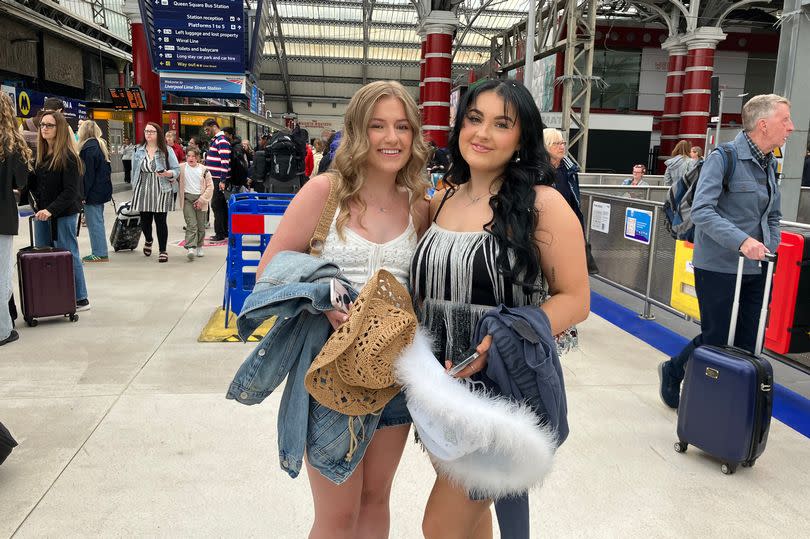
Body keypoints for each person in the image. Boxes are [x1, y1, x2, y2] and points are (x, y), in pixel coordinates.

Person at [411, 79, 589, 538]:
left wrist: (504, 336)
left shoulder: (543, 206)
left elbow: (575, 298)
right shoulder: (443, 197)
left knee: (440, 526)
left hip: (498, 392)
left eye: (501, 123)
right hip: (437, 387)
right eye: (474, 119)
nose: (483, 133)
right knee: (473, 515)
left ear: (521, 138)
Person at [254, 80, 430, 539]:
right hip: (328, 373)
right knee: (336, 516)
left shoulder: (420, 206)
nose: (391, 138)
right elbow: (269, 271)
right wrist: (325, 296)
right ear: (357, 131)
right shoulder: (323, 193)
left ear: (414, 135)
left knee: (376, 501)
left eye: (401, 126)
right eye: (377, 126)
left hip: (394, 374)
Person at [658, 94, 793, 409]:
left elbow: (772, 215)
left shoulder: (770, 164)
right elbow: (703, 211)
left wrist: (768, 246)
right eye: (785, 120)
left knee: (749, 340)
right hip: (718, 265)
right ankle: (675, 369)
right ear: (763, 124)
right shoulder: (725, 157)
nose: (791, 127)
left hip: (758, 267)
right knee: (716, 336)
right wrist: (742, 242)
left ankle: (730, 404)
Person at [29, 111, 90, 311]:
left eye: (49, 125)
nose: (44, 128)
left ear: (60, 129)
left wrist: (51, 210)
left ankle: (81, 297)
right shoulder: (40, 156)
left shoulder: (69, 157)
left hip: (63, 212)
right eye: (42, 125)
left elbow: (71, 192)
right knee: (42, 254)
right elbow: (37, 186)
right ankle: (51, 294)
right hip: (42, 214)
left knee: (67, 252)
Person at [543, 127, 599, 274]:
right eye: (556, 143)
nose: (562, 147)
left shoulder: (569, 170)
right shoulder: (537, 171)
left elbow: (575, 203)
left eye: (563, 143)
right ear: (545, 146)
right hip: (545, 230)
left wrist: (578, 229)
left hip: (568, 227)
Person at [0, 93, 32, 346]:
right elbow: (20, 182)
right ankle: (2, 330)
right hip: (3, 216)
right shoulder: (12, 144)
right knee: (1, 276)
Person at [130, 122, 180, 263]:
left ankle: (163, 250)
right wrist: (134, 188)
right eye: (146, 131)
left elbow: (176, 170)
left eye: (152, 131)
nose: (148, 134)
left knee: (160, 221)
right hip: (143, 187)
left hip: (161, 187)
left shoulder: (166, 150)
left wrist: (168, 173)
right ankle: (148, 239)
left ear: (158, 133)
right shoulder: (138, 150)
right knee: (145, 220)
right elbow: (134, 171)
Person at [77, 120, 113, 262]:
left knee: (94, 223)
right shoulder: (100, 145)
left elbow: (87, 175)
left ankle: (99, 252)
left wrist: (83, 194)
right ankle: (100, 250)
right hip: (101, 190)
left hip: (92, 192)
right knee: (98, 221)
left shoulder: (87, 149)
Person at [178, 148, 213, 260]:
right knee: (191, 224)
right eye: (188, 156)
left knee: (200, 225)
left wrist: (202, 200)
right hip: (187, 199)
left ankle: (199, 245)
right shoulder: (181, 168)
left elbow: (210, 186)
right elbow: (173, 175)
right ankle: (190, 247)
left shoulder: (204, 170)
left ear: (198, 157)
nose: (191, 158)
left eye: (193, 156)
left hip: (200, 199)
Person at [203, 118, 231, 241]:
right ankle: (224, 231)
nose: (206, 132)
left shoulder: (221, 141)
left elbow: (225, 161)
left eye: (207, 129)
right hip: (216, 178)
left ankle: (219, 233)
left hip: (218, 179)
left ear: (214, 126)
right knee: (221, 205)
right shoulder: (218, 141)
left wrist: (223, 180)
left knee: (216, 205)